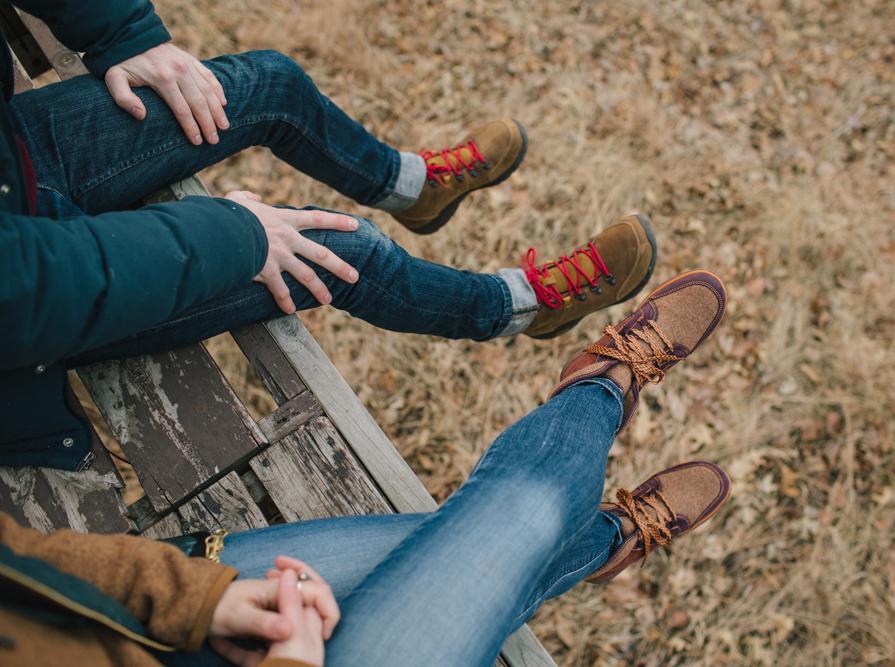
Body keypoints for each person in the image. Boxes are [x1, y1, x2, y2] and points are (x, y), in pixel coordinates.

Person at [0, 0, 657, 470]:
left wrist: (120, 27)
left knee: (273, 84)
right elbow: (29, 288)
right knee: (347, 249)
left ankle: (412, 187)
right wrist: (233, 233)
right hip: (39, 310)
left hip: (17, 161)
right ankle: (518, 307)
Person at [0, 271, 732, 667]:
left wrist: (189, 597)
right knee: (517, 522)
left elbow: (18, 561)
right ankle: (602, 392)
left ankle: (600, 534)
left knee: (490, 546)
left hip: (161, 614)